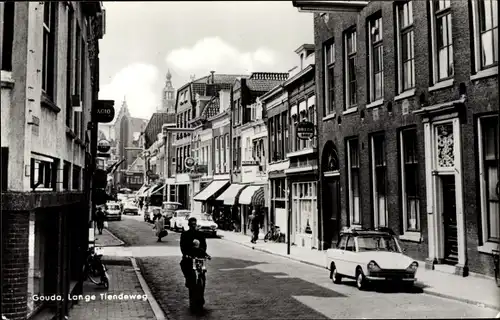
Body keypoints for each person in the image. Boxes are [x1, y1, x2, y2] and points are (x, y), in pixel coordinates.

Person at [180, 217, 209, 288]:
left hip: (199, 255)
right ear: (189, 225)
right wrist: (185, 254)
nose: (193, 225)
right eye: (192, 224)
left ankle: (202, 280)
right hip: (189, 255)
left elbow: (204, 245)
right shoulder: (185, 234)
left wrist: (203, 253)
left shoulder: (200, 234)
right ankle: (187, 278)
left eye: (194, 224)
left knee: (202, 269)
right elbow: (182, 246)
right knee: (183, 264)